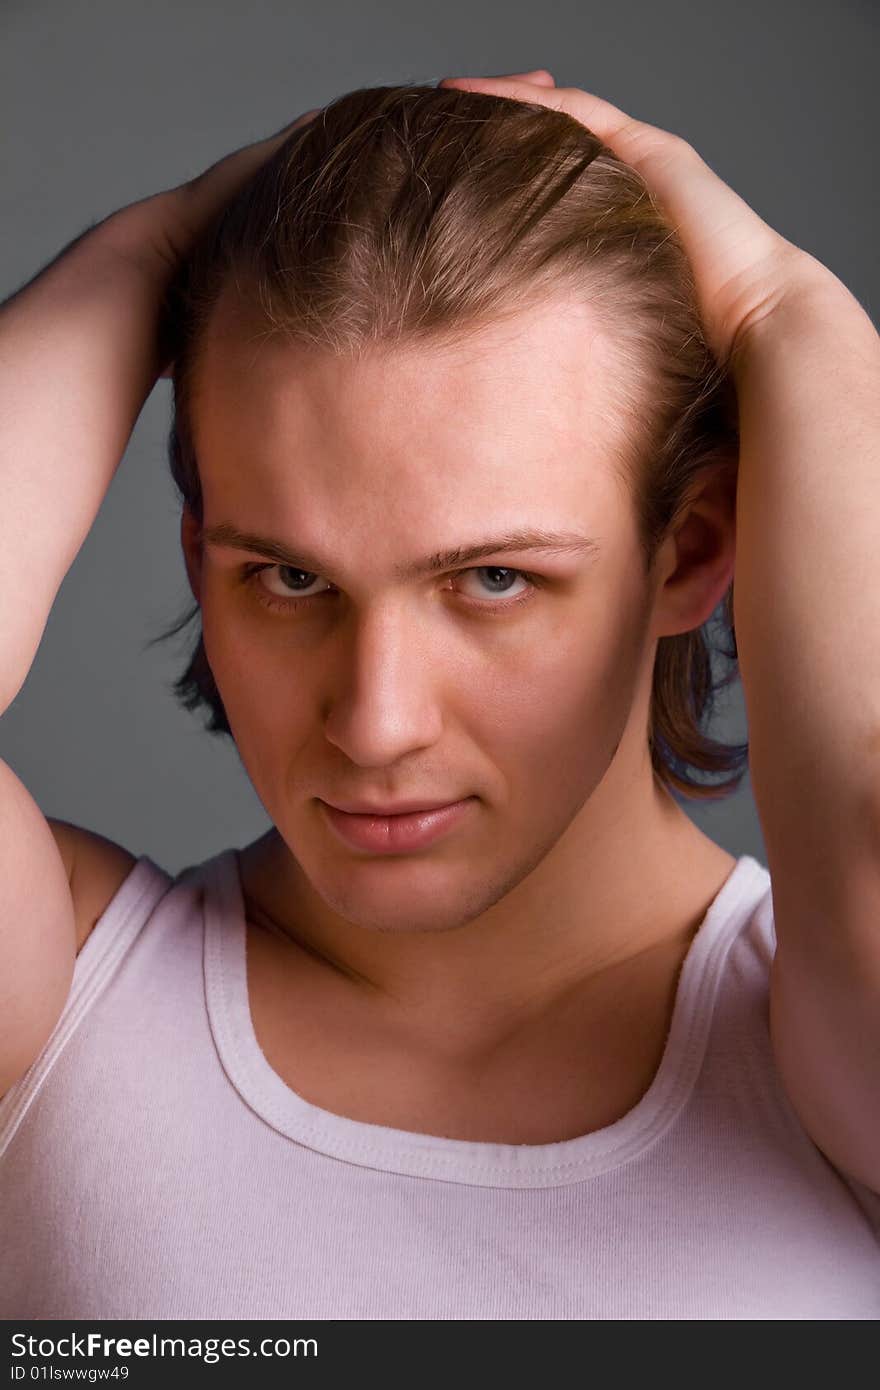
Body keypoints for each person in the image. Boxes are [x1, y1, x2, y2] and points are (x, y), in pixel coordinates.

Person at [0, 71, 878, 1321]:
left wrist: (788, 312)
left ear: (688, 552)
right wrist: (158, 245)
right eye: (291, 576)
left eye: (493, 579)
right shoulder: (61, 1003)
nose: (375, 720)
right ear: (201, 558)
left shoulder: (828, 1047)